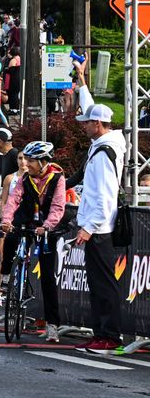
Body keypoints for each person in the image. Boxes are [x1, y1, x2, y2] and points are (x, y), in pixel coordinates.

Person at [0, 141, 65, 342]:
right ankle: (7, 275)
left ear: (44, 161)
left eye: (32, 160)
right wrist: (6, 220)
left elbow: (58, 206)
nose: (27, 164)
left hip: (46, 227)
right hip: (25, 220)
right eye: (26, 159)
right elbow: (13, 200)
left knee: (47, 276)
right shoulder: (25, 178)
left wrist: (47, 226)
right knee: (10, 238)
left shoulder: (57, 178)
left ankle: (53, 325)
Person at [73, 103, 126, 355]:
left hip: (100, 229)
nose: (83, 126)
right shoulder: (102, 146)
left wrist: (90, 227)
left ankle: (110, 336)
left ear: (98, 124)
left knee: (104, 284)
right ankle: (101, 334)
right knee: (97, 284)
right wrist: (82, 81)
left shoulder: (104, 152)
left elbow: (106, 196)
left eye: (87, 122)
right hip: (96, 226)